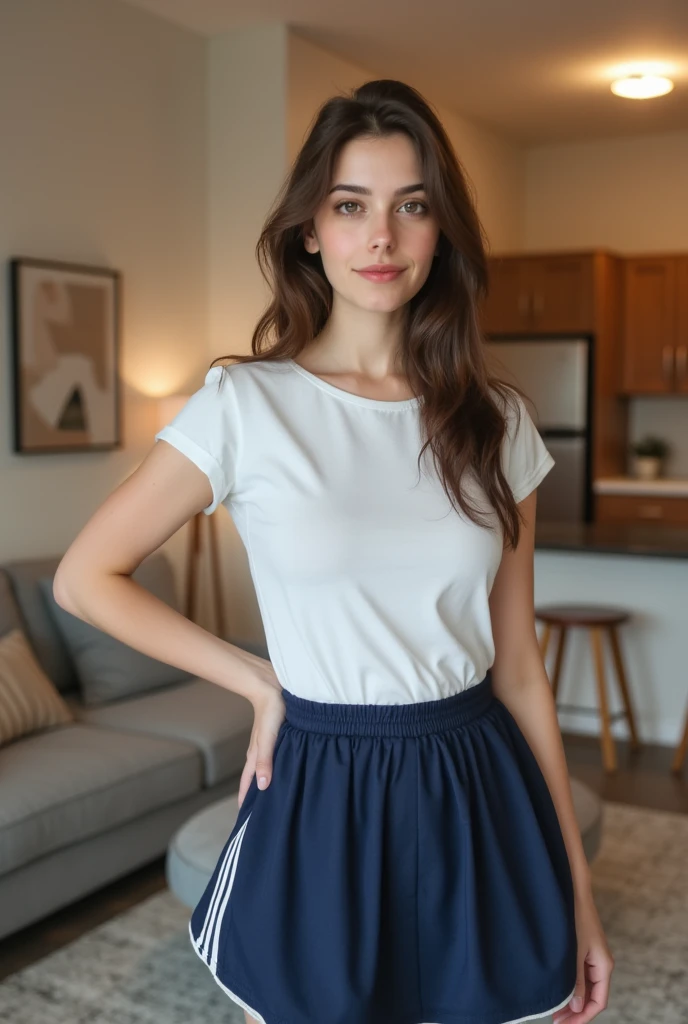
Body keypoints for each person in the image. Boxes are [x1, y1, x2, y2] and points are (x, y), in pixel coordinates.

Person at [53, 79, 614, 1024]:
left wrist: (579, 890)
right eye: (350, 206)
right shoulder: (245, 405)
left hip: (477, 780)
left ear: (441, 234)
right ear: (310, 230)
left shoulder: (498, 421)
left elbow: (520, 671)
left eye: (412, 206)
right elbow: (84, 578)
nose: (381, 238)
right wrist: (257, 681)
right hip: (320, 788)